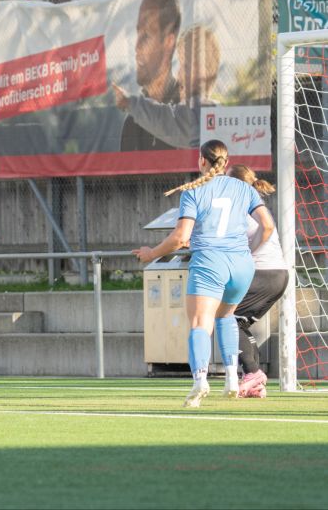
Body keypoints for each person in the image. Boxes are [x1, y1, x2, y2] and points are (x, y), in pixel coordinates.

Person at [133, 140, 274, 407]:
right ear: (227, 161)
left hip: (210, 261)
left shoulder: (194, 192)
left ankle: (199, 381)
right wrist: (248, 251)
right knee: (226, 316)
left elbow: (181, 238)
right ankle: (232, 379)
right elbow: (267, 226)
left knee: (200, 323)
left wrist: (151, 254)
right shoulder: (244, 188)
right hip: (242, 264)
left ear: (201, 161)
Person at [227, 165, 289, 399]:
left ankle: (253, 373)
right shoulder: (253, 206)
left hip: (264, 274)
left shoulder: (243, 208)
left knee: (226, 318)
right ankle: (254, 381)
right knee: (239, 322)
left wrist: (249, 253)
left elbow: (266, 228)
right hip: (278, 274)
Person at [114, 24, 221, 149]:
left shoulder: (199, 114)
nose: (178, 74)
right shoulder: (216, 113)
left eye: (185, 66)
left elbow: (164, 121)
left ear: (203, 72)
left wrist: (130, 102)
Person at [120, 0, 182, 152]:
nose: (137, 47)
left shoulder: (186, 114)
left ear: (169, 41)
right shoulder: (132, 122)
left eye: (146, 35)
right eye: (137, 33)